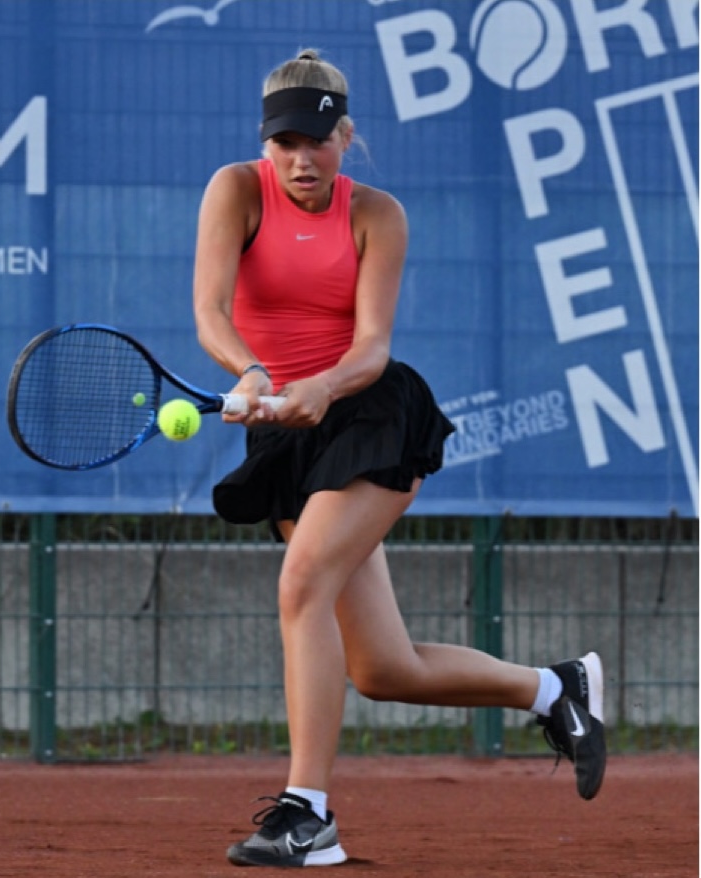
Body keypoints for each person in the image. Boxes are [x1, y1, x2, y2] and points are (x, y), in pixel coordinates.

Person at [192, 48, 606, 869]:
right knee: (384, 669)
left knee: (301, 584)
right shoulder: (234, 190)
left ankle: (308, 816)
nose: (301, 160)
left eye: (317, 141)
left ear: (345, 136)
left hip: (369, 416)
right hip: (282, 435)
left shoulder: (377, 214)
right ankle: (554, 689)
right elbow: (209, 310)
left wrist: (321, 385)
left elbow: (372, 348)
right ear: (265, 142)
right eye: (285, 144)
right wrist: (251, 372)